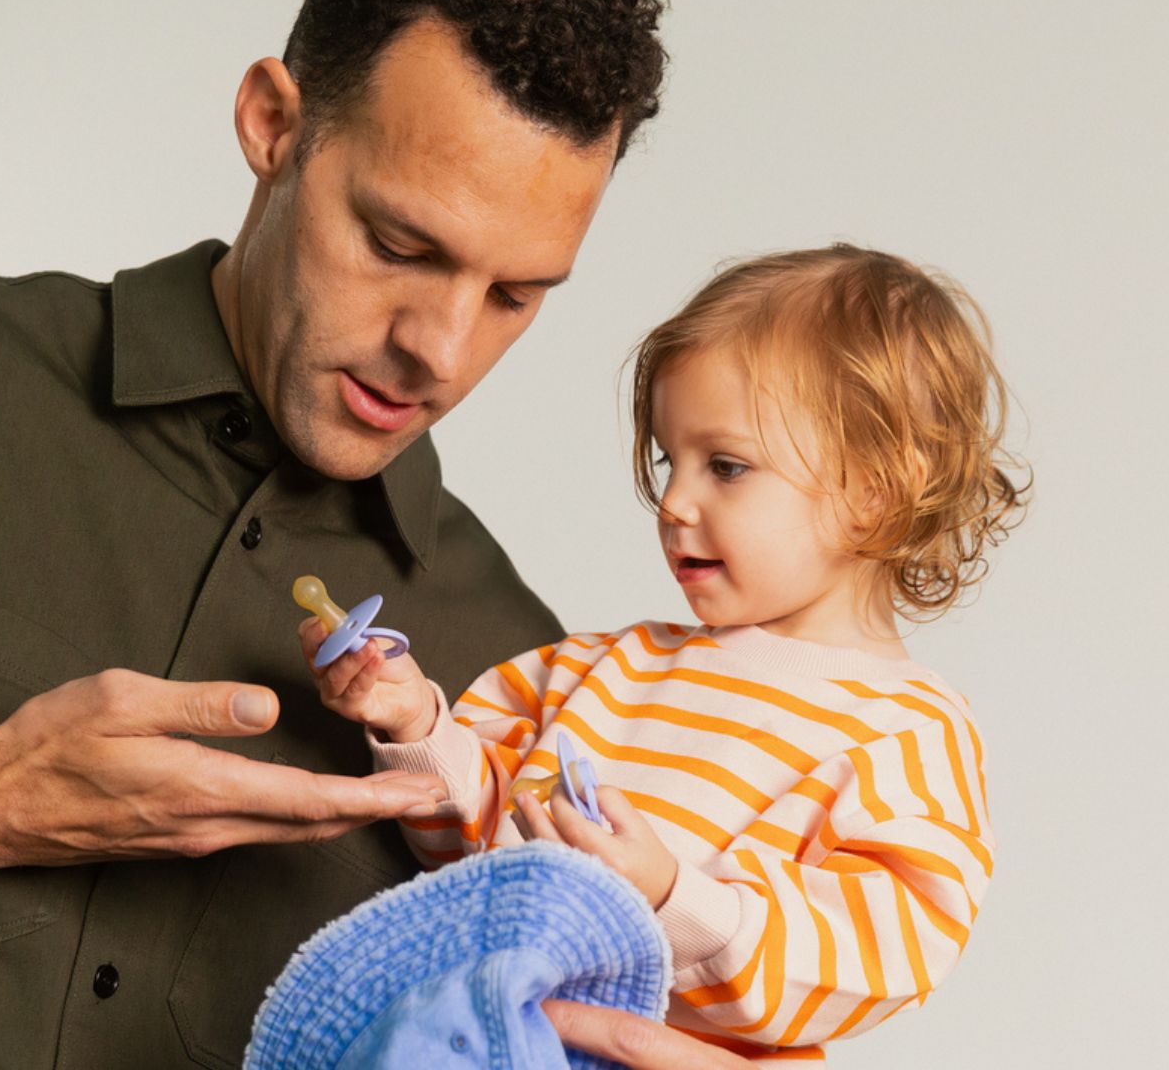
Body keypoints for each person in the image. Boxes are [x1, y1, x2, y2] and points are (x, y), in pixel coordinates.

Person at [0, 0, 671, 1067]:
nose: (439, 350)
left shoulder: (519, 680)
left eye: (516, 296)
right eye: (400, 244)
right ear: (271, 123)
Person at [303, 244, 1028, 1063]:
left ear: (877, 488)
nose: (675, 502)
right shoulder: (601, 667)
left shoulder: (904, 731)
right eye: (667, 461)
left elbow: (875, 958)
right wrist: (415, 725)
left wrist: (674, 899)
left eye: (726, 466)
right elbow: (471, 868)